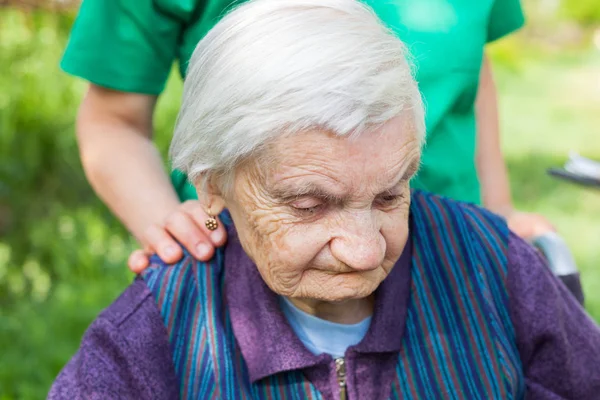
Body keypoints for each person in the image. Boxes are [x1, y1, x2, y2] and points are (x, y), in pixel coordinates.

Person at [49, 2, 600, 398]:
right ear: (212, 183)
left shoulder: (493, 270)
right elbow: (112, 122)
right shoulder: (154, 339)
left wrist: (491, 226)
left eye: (390, 196)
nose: (363, 253)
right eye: (310, 206)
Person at [61, 0, 554, 272]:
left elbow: (470, 69)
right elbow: (114, 121)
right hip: (256, 264)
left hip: (449, 254)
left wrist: (498, 208)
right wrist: (168, 224)